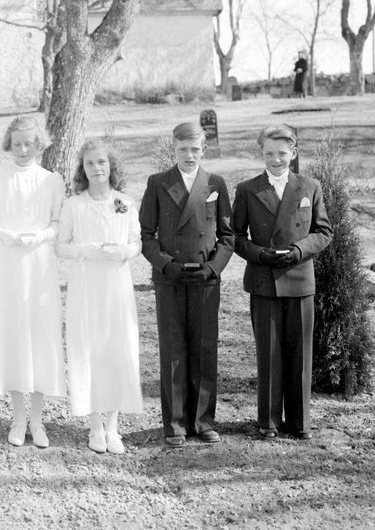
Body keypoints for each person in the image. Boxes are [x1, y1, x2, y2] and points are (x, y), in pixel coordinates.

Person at [231, 125, 333, 440]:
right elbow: (234, 236)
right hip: (264, 281)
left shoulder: (309, 187)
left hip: (300, 279)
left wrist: (299, 251)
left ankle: (300, 423)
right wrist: (259, 254)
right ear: (261, 154)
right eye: (269, 154)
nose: (276, 160)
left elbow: (324, 232)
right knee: (269, 353)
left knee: (300, 354)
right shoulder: (248, 189)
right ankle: (269, 422)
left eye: (282, 153)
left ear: (294, 153)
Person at [138, 121, 234, 448]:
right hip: (170, 279)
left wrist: (214, 267)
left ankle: (204, 421)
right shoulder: (158, 183)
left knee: (205, 349)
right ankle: (175, 424)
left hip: (206, 279)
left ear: (203, 149)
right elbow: (146, 235)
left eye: (195, 149)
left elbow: (228, 236)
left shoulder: (216, 183)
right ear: (174, 149)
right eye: (182, 150)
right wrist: (166, 265)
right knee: (173, 349)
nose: (189, 156)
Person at [0, 115, 66, 449]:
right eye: (16, 143)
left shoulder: (51, 180)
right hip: (6, 263)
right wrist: (2, 233)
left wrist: (43, 234)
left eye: (28, 143)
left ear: (39, 144)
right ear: (9, 144)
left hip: (39, 264)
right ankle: (18, 417)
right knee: (12, 335)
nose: (22, 149)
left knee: (39, 335)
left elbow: (59, 221)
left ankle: (37, 418)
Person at [55, 138, 143, 455]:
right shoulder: (74, 205)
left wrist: (124, 251)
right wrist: (85, 250)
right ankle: (94, 427)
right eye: (90, 163)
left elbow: (137, 243)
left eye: (102, 162)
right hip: (86, 286)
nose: (96, 168)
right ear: (83, 168)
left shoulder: (124, 202)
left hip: (116, 287)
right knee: (91, 350)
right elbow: (60, 246)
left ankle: (113, 428)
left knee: (117, 350)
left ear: (111, 166)